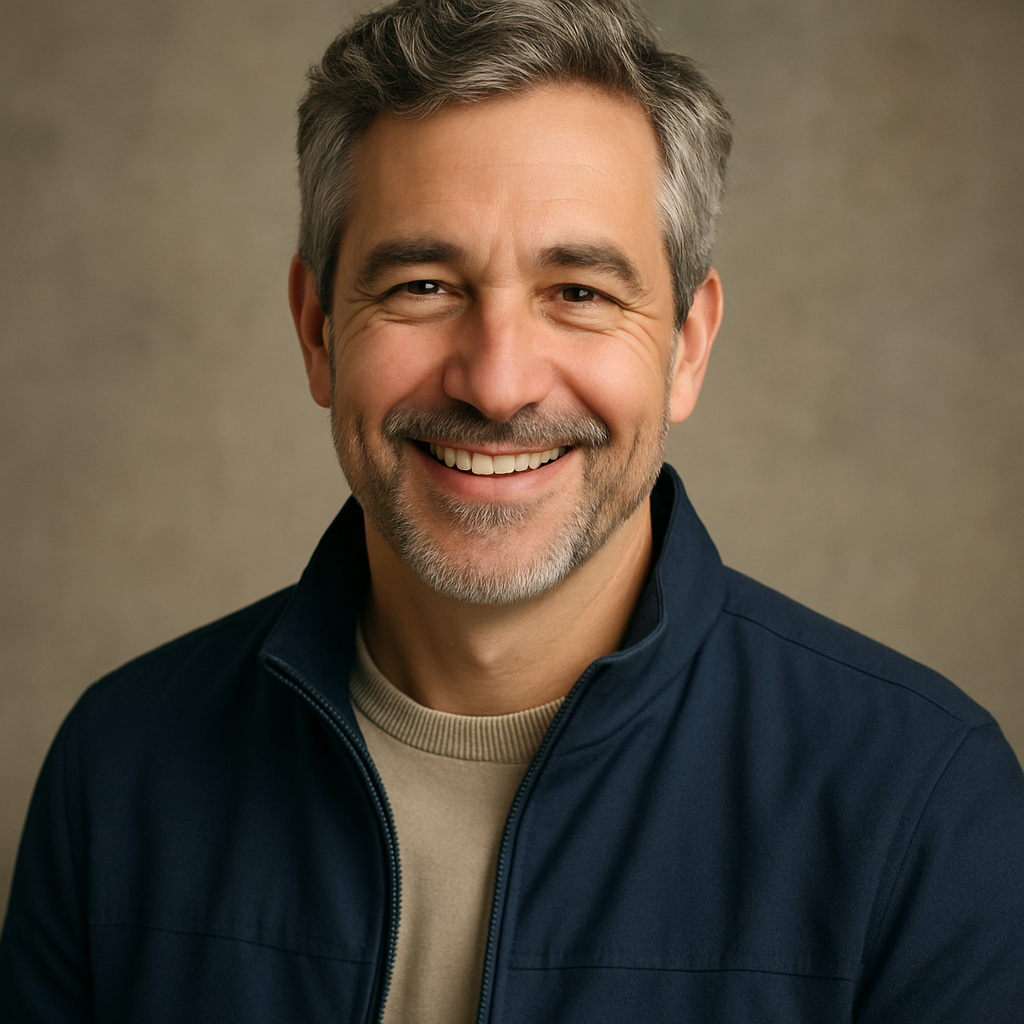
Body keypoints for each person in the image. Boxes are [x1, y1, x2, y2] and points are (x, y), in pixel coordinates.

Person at [2, 0, 1022, 1019]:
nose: (496, 384)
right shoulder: (120, 767)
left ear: (686, 345)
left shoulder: (924, 804)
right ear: (317, 330)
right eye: (422, 284)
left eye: (578, 291)